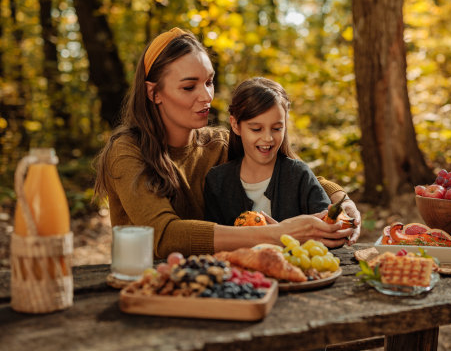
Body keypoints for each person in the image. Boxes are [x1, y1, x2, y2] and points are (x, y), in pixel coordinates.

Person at [94, 27, 361, 259]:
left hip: (218, 277)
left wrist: (342, 200)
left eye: (209, 82)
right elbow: (164, 235)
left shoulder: (218, 143)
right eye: (189, 87)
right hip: (149, 284)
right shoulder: (127, 150)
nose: (206, 96)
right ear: (154, 93)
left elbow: (288, 170)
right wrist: (278, 233)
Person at [204, 77, 330, 225]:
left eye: (277, 128)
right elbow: (215, 240)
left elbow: (331, 226)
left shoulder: (299, 175)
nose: (268, 138)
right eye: (256, 129)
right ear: (235, 125)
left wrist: (287, 236)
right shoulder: (217, 181)